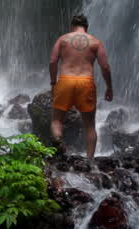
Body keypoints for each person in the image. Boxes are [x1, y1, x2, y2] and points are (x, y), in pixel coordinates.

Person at [48, 13, 112, 159]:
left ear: (72, 27)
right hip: (85, 82)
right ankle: (90, 161)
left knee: (57, 120)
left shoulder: (63, 39)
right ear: (86, 28)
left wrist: (53, 83)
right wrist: (109, 87)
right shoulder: (95, 42)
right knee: (89, 126)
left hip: (65, 80)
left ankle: (58, 148)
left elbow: (52, 61)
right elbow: (105, 67)